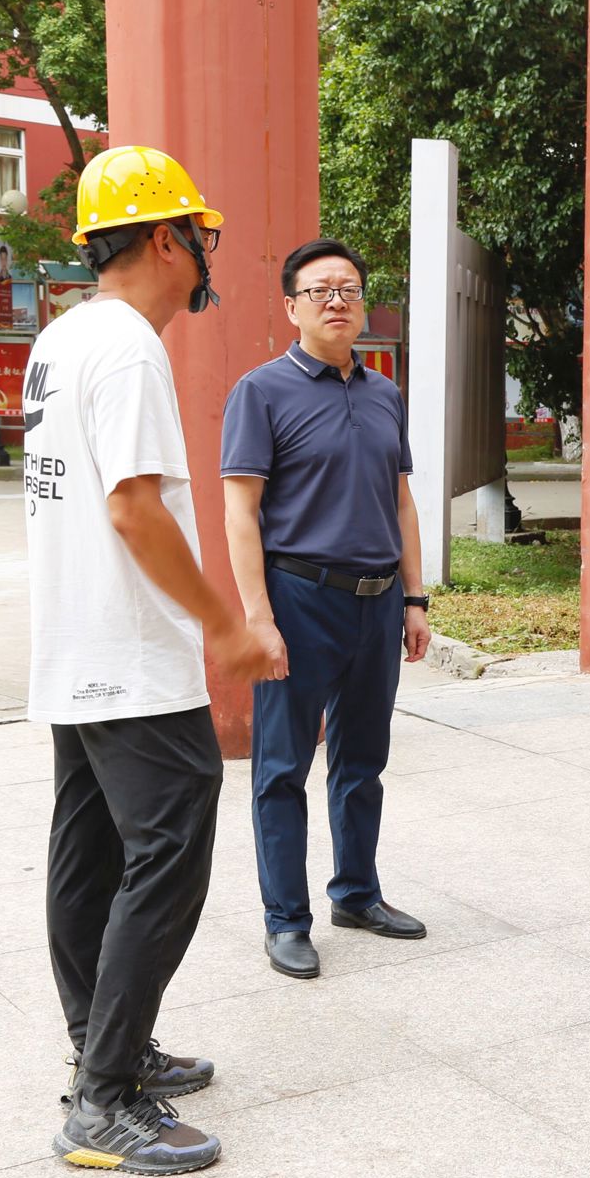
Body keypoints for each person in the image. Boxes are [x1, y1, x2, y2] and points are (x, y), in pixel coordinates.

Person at [23, 144, 269, 1175]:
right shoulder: (127, 348)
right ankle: (106, 1099)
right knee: (167, 853)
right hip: (129, 653)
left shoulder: (62, 338)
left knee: (89, 855)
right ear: (167, 240)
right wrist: (222, 622)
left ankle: (103, 1048)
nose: (207, 253)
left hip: (76, 645)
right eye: (200, 235)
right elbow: (134, 508)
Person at [221, 237, 432, 980]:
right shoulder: (261, 392)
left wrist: (414, 598)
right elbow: (240, 512)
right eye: (319, 290)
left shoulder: (384, 394)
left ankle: (357, 894)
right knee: (282, 767)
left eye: (348, 288)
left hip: (378, 602)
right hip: (298, 597)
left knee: (363, 761)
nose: (336, 300)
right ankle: (286, 920)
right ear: (292, 307)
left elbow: (401, 501)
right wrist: (259, 617)